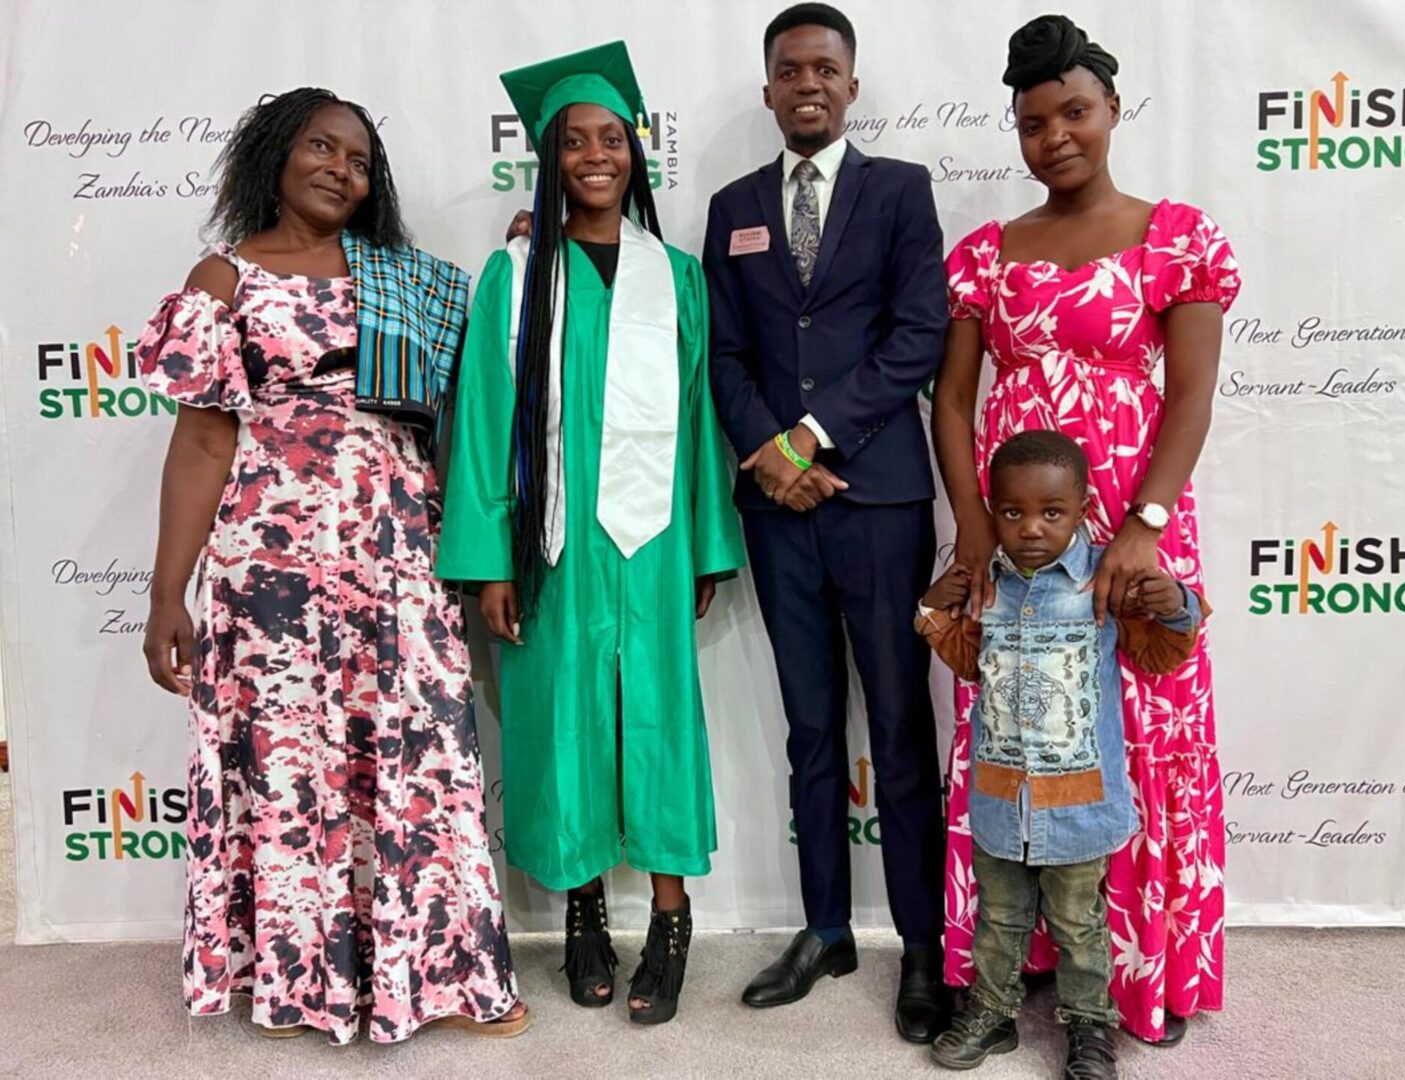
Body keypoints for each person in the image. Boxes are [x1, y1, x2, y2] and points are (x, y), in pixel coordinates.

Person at [138, 88, 526, 1044]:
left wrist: (528, 259)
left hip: (396, 551)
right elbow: (199, 445)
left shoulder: (405, 278)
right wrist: (165, 592)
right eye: (321, 147)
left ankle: (439, 974)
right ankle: (293, 978)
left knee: (420, 753)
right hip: (267, 567)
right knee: (287, 760)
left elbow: (481, 393)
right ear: (276, 154)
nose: (340, 170)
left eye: (359, 161)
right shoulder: (223, 279)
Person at [930, 14, 1241, 1047]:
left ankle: (1133, 979)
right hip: (1018, 534)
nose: (1055, 135)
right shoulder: (983, 254)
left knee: (1139, 732)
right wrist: (972, 531)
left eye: (1075, 112)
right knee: (1018, 722)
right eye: (1032, 121)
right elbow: (953, 404)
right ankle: (1012, 976)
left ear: (1112, 112)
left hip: (1133, 526)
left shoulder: (1178, 238)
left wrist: (1145, 525)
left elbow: (1192, 396)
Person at [437, 42, 745, 1026]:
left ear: (636, 154)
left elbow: (698, 422)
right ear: (549, 157)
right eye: (576, 142)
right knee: (563, 722)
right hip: (552, 547)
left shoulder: (680, 278)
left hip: (650, 545)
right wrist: (489, 559)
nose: (596, 156)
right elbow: (484, 424)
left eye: (613, 139)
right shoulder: (516, 274)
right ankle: (580, 915)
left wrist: (703, 542)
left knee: (656, 723)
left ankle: (669, 917)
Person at [702, 3, 951, 1042]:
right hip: (776, 507)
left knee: (897, 728)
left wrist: (811, 438)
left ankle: (925, 949)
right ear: (768, 89)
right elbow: (723, 352)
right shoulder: (732, 205)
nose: (808, 83)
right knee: (811, 727)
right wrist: (771, 451)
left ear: (853, 86)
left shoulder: (900, 191)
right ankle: (822, 927)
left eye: (826, 68)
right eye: (790, 69)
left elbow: (919, 335)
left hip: (877, 496)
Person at [917, 431, 1208, 1077]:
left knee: (1080, 926)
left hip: (1077, 804)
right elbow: (969, 666)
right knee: (998, 920)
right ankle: (992, 1014)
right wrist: (934, 609)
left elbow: (1162, 654)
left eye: (1051, 513)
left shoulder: (1106, 580)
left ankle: (1089, 1029)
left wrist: (1177, 606)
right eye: (1012, 512)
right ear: (992, 510)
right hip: (999, 798)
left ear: (1082, 508)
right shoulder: (983, 585)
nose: (1029, 529)